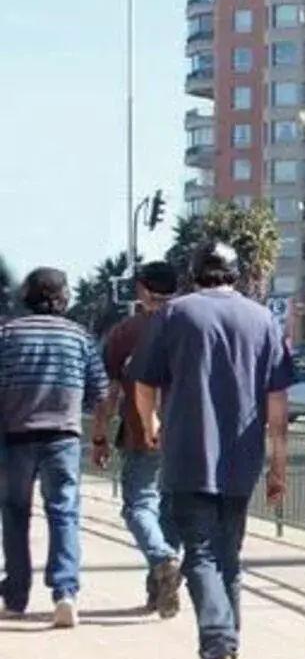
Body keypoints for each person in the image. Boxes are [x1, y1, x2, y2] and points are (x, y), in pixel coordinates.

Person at [128, 242, 292, 659]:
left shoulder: (174, 315)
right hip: (242, 459)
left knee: (199, 552)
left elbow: (143, 384)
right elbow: (277, 404)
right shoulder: (263, 321)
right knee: (228, 557)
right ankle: (222, 657)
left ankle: (218, 646)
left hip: (187, 453)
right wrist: (278, 466)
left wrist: (151, 424)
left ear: (195, 273)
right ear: (236, 274)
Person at [0, 267, 108, 626]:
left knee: (15, 515)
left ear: (27, 296)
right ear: (64, 298)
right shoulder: (79, 336)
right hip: (63, 438)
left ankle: (15, 597)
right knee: (64, 514)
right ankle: (65, 593)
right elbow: (99, 391)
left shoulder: (7, 333)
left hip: (15, 438)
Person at [92, 260, 183, 617]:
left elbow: (109, 392)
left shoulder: (127, 331)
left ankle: (163, 561)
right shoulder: (191, 325)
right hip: (188, 436)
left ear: (143, 290)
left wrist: (99, 435)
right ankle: (159, 588)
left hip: (141, 433)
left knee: (138, 506)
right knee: (170, 511)